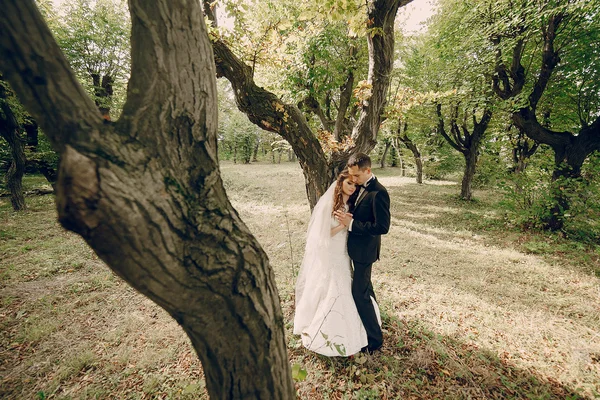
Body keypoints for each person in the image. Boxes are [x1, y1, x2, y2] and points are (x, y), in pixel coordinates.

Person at [293, 170, 368, 357]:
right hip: (332, 249)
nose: (352, 188)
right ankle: (325, 327)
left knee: (344, 283)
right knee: (333, 285)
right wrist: (344, 225)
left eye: (355, 185)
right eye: (349, 183)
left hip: (343, 251)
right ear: (340, 182)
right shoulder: (329, 204)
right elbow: (322, 234)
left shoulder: (350, 203)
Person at [334, 153, 390, 353]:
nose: (354, 180)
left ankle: (375, 341)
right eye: (351, 176)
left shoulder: (379, 192)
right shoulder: (359, 187)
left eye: (357, 176)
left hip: (366, 251)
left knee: (359, 293)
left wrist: (352, 224)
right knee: (366, 288)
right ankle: (374, 319)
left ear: (368, 170)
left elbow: (382, 227)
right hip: (354, 249)